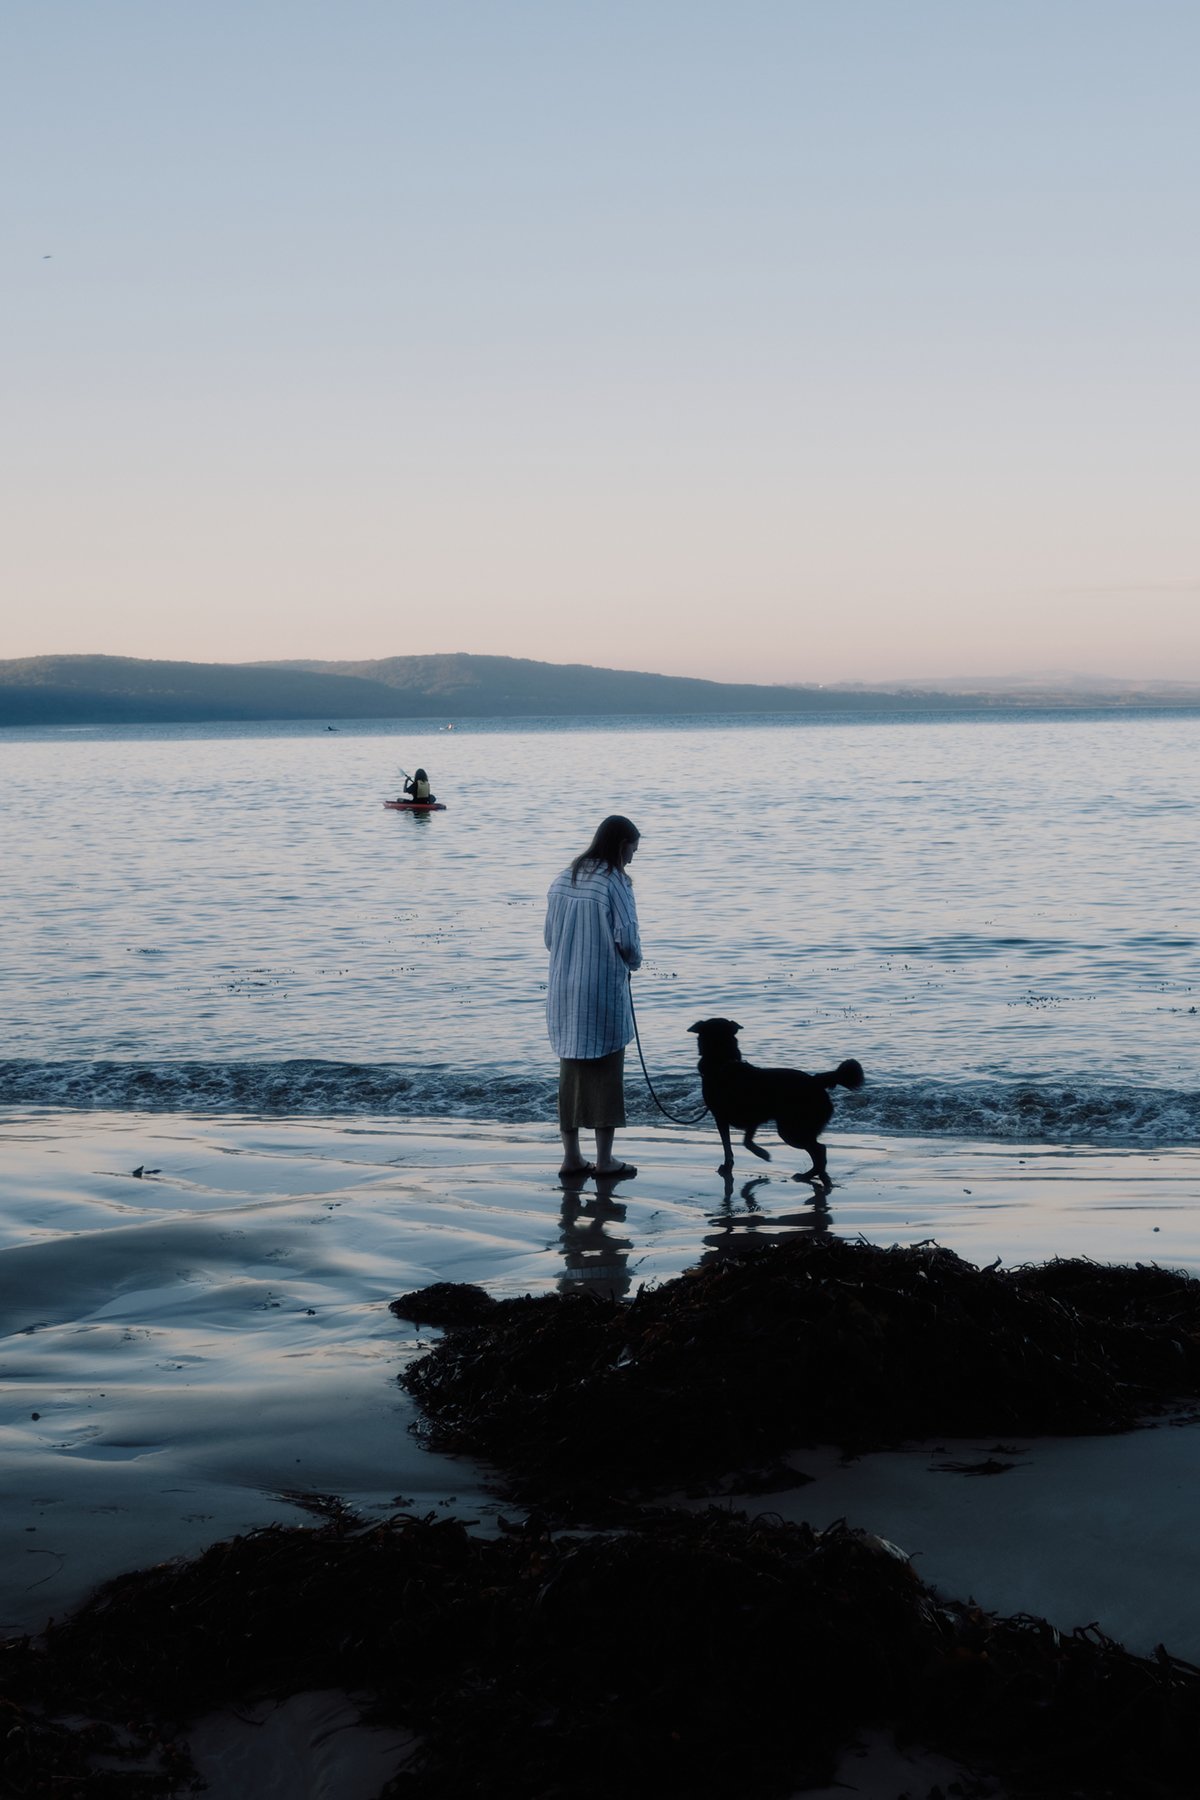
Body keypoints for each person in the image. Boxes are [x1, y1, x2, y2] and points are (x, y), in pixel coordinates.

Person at [544, 815, 642, 1179]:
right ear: (620, 845)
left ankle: (571, 1157)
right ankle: (605, 1160)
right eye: (633, 849)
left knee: (570, 1075)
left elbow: (549, 939)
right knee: (606, 1074)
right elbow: (627, 939)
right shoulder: (614, 883)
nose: (632, 858)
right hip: (599, 987)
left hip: (563, 989)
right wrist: (633, 962)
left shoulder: (563, 878)